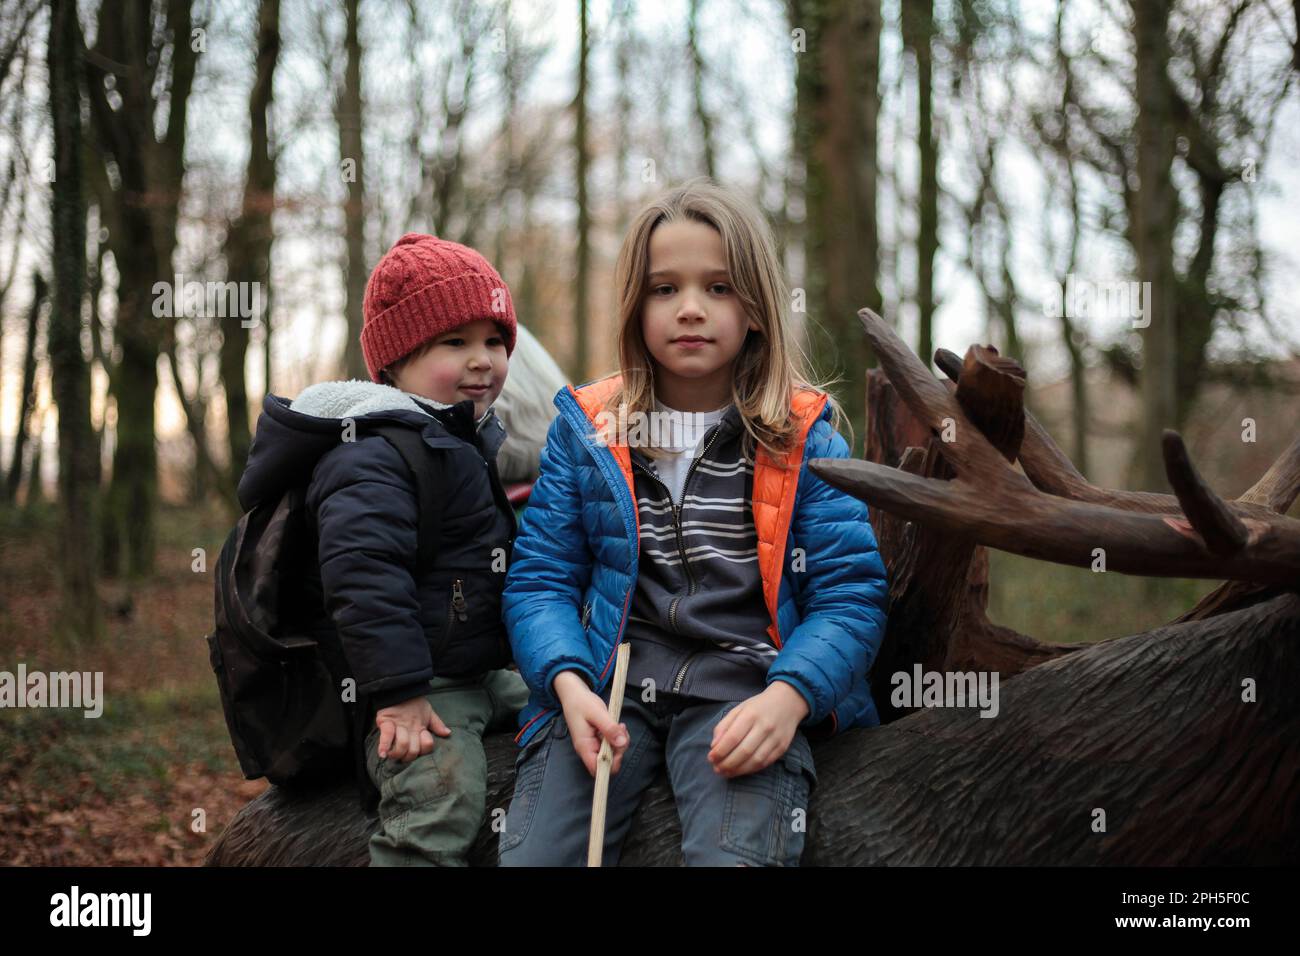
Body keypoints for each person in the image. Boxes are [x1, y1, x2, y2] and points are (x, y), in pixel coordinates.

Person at [497, 179, 889, 867]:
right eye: (664, 289)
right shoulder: (588, 431)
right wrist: (568, 684)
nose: (690, 310)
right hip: (609, 690)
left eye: (718, 288)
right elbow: (540, 582)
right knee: (537, 857)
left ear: (758, 309)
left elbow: (850, 597)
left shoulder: (802, 438)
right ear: (635, 306)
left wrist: (790, 697)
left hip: (744, 689)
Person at [237, 232, 529, 865]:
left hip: (475, 670)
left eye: (493, 341)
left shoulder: (460, 439)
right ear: (395, 364)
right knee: (440, 798)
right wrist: (398, 693)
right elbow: (363, 579)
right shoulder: (372, 452)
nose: (482, 359)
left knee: (561, 706)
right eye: (455, 342)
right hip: (413, 682)